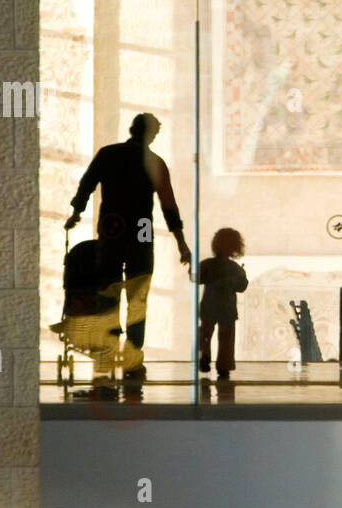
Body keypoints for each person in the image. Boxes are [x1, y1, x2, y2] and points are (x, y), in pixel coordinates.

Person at [66, 112, 191, 379]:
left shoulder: (108, 154)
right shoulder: (155, 162)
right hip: (142, 232)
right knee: (137, 297)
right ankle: (133, 358)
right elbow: (168, 206)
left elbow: (86, 184)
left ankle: (105, 356)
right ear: (151, 134)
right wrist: (181, 242)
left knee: (107, 293)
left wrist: (76, 212)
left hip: (112, 229)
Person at [197, 228, 248, 379]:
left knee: (205, 335)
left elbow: (196, 278)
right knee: (225, 338)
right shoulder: (234, 268)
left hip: (210, 307)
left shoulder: (207, 264)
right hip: (227, 309)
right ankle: (224, 366)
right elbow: (242, 286)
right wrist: (236, 281)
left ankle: (204, 358)